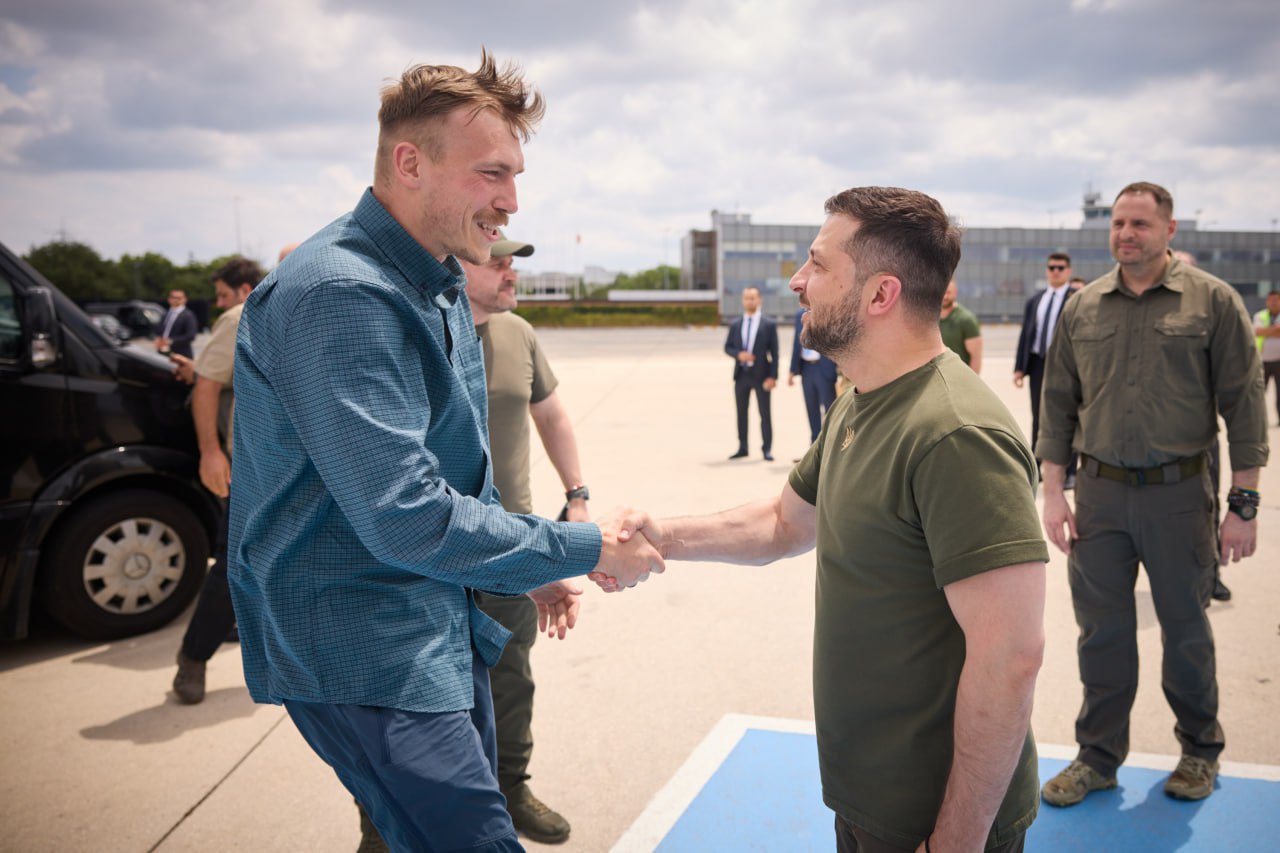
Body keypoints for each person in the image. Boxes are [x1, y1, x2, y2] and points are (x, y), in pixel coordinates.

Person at [226, 53, 662, 852]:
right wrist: (588, 543)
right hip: (365, 645)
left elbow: (460, 472)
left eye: (516, 174)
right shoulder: (340, 294)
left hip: (437, 616)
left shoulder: (438, 283)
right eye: (491, 172)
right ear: (409, 162)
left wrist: (521, 567)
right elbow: (409, 517)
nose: (512, 200)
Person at [601, 187, 1048, 852]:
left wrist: (955, 840)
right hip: (868, 793)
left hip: (933, 815)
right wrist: (663, 535)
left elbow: (1011, 656)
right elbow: (784, 522)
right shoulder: (861, 399)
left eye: (817, 264)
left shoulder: (955, 433)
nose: (796, 281)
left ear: (880, 295)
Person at [1038, 182, 1268, 808]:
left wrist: (1243, 506)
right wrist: (1053, 494)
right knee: (1101, 635)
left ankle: (1199, 751)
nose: (1125, 234)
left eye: (1140, 223)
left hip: (1178, 497)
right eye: (1117, 223)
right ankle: (1098, 758)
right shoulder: (1083, 308)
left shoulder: (1212, 302)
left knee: (1186, 630)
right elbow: (1057, 402)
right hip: (1101, 496)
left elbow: (1244, 407)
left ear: (1170, 231)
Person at [170, 258, 263, 704]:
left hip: (311, 471)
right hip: (255, 470)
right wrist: (210, 452)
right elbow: (207, 385)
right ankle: (192, 657)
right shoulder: (243, 316)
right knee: (234, 568)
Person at [1013, 253, 1076, 485]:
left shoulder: (1076, 298)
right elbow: (1026, 335)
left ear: (1068, 271)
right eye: (1052, 267)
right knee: (1038, 416)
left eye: (1060, 268)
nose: (1056, 271)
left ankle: (1069, 471)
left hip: (1065, 365)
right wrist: (1020, 368)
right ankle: (1037, 465)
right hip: (1039, 363)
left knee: (1067, 416)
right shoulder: (1036, 300)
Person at [725, 287, 779, 460]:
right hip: (741, 374)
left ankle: (767, 449)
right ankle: (742, 447)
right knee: (741, 412)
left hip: (762, 375)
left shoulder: (768, 324)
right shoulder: (735, 324)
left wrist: (773, 376)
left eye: (753, 298)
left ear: (759, 300)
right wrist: (738, 354)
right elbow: (727, 347)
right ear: (743, 300)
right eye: (747, 298)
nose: (750, 301)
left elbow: (775, 353)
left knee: (765, 413)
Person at [788, 306, 839, 444]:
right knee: (811, 409)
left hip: (825, 369)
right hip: (806, 369)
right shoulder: (800, 314)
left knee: (830, 410)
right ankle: (814, 447)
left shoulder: (830, 310)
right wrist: (792, 370)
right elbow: (796, 343)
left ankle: (831, 446)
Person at [938, 279, 982, 373]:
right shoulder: (929, 318)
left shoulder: (966, 320)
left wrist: (971, 383)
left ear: (955, 293)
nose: (945, 296)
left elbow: (976, 356)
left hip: (959, 378)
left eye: (948, 293)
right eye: (942, 292)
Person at [1255, 289, 1280, 427]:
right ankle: (1258, 419)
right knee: (1258, 392)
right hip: (1263, 360)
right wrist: (1276, 330)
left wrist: (1267, 331)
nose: (1273, 303)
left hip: (1279, 361)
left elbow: (1263, 332)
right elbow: (1257, 332)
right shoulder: (1260, 315)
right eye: (1270, 300)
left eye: (1276, 300)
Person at [156, 288, 198, 358]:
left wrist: (171, 341)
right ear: (169, 299)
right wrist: (158, 338)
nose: (176, 300)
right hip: (164, 352)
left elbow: (191, 336)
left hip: (181, 354)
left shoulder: (188, 315)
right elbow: (161, 330)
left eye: (179, 298)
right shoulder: (166, 314)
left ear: (185, 299)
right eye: (173, 297)